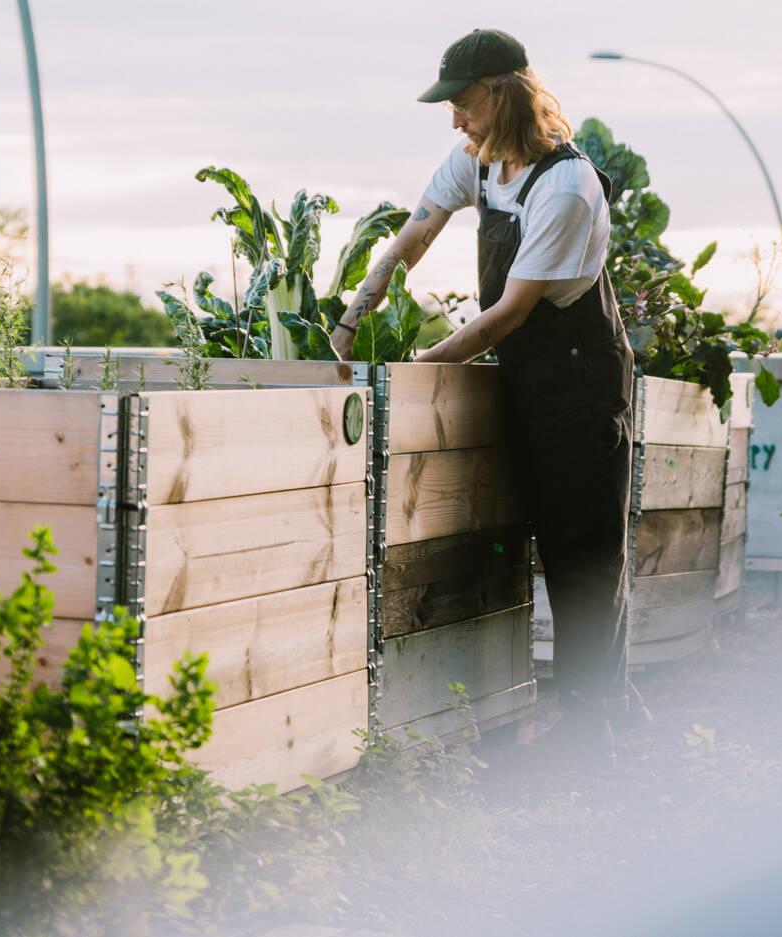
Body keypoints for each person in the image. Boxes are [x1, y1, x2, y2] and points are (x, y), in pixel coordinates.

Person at [330, 28, 636, 760]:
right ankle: (592, 715)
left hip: (579, 383)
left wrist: (414, 373)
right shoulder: (480, 162)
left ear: (501, 95)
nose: (454, 117)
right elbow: (415, 235)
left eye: (463, 102)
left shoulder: (565, 187)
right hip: (526, 379)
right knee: (524, 536)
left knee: (582, 553)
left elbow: (507, 315)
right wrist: (350, 317)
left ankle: (596, 727)